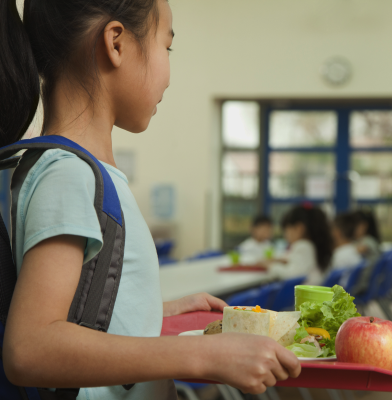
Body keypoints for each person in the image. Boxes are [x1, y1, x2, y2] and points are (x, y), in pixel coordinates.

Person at [0, 0, 300, 398]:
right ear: (116, 44)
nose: (169, 74)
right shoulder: (68, 174)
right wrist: (199, 354)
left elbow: (81, 318)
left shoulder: (86, 172)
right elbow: (31, 349)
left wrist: (150, 315)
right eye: (166, 45)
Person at [268, 205, 333, 286]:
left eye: (286, 230)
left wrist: (271, 266)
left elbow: (293, 276)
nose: (285, 236)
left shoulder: (303, 245)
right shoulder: (316, 245)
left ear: (299, 228)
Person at [353, 210, 381, 293]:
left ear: (363, 226)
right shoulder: (370, 240)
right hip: (368, 283)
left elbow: (357, 250)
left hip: (364, 285)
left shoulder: (367, 241)